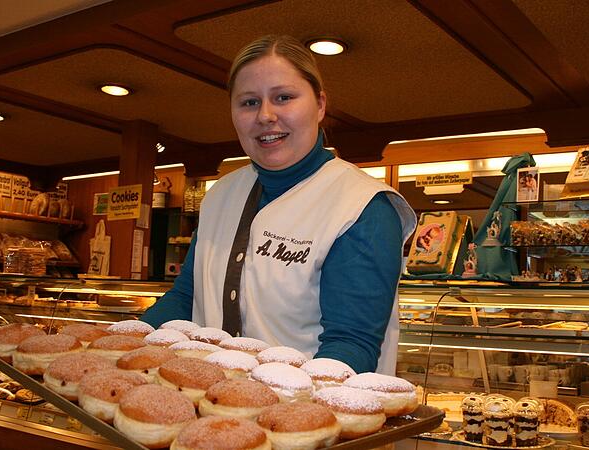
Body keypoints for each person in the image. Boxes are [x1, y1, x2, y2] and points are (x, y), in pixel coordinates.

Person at [141, 35, 416, 375]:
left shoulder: (363, 207)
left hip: (313, 417)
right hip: (216, 405)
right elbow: (186, 298)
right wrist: (121, 344)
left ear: (320, 105)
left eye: (283, 97)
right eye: (249, 102)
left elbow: (350, 346)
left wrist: (287, 414)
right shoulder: (220, 195)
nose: (266, 115)